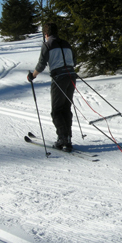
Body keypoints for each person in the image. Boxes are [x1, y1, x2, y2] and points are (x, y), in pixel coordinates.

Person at [27, 23, 77, 152]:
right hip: (71, 76)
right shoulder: (66, 43)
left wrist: (32, 76)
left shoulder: (47, 44)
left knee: (56, 110)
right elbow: (74, 61)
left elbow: (41, 65)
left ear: (46, 34)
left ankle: (62, 139)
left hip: (59, 78)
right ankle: (68, 138)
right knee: (66, 107)